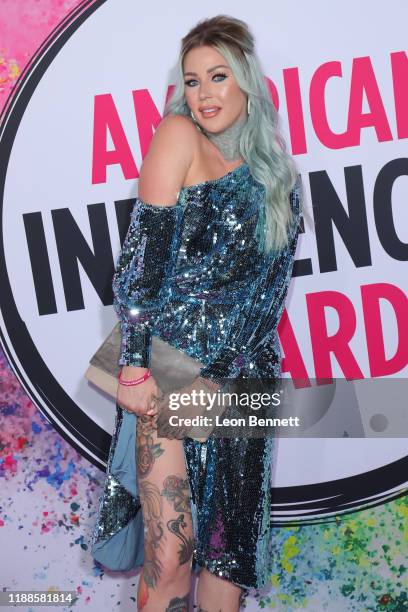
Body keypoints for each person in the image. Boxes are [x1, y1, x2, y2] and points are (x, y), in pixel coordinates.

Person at [92, 14, 302, 612]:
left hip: (246, 381)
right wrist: (132, 365)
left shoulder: (279, 178)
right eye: (192, 81)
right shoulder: (178, 136)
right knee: (171, 562)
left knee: (225, 572)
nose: (204, 94)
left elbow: (268, 299)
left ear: (247, 83)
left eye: (218, 77)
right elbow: (143, 261)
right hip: (171, 369)